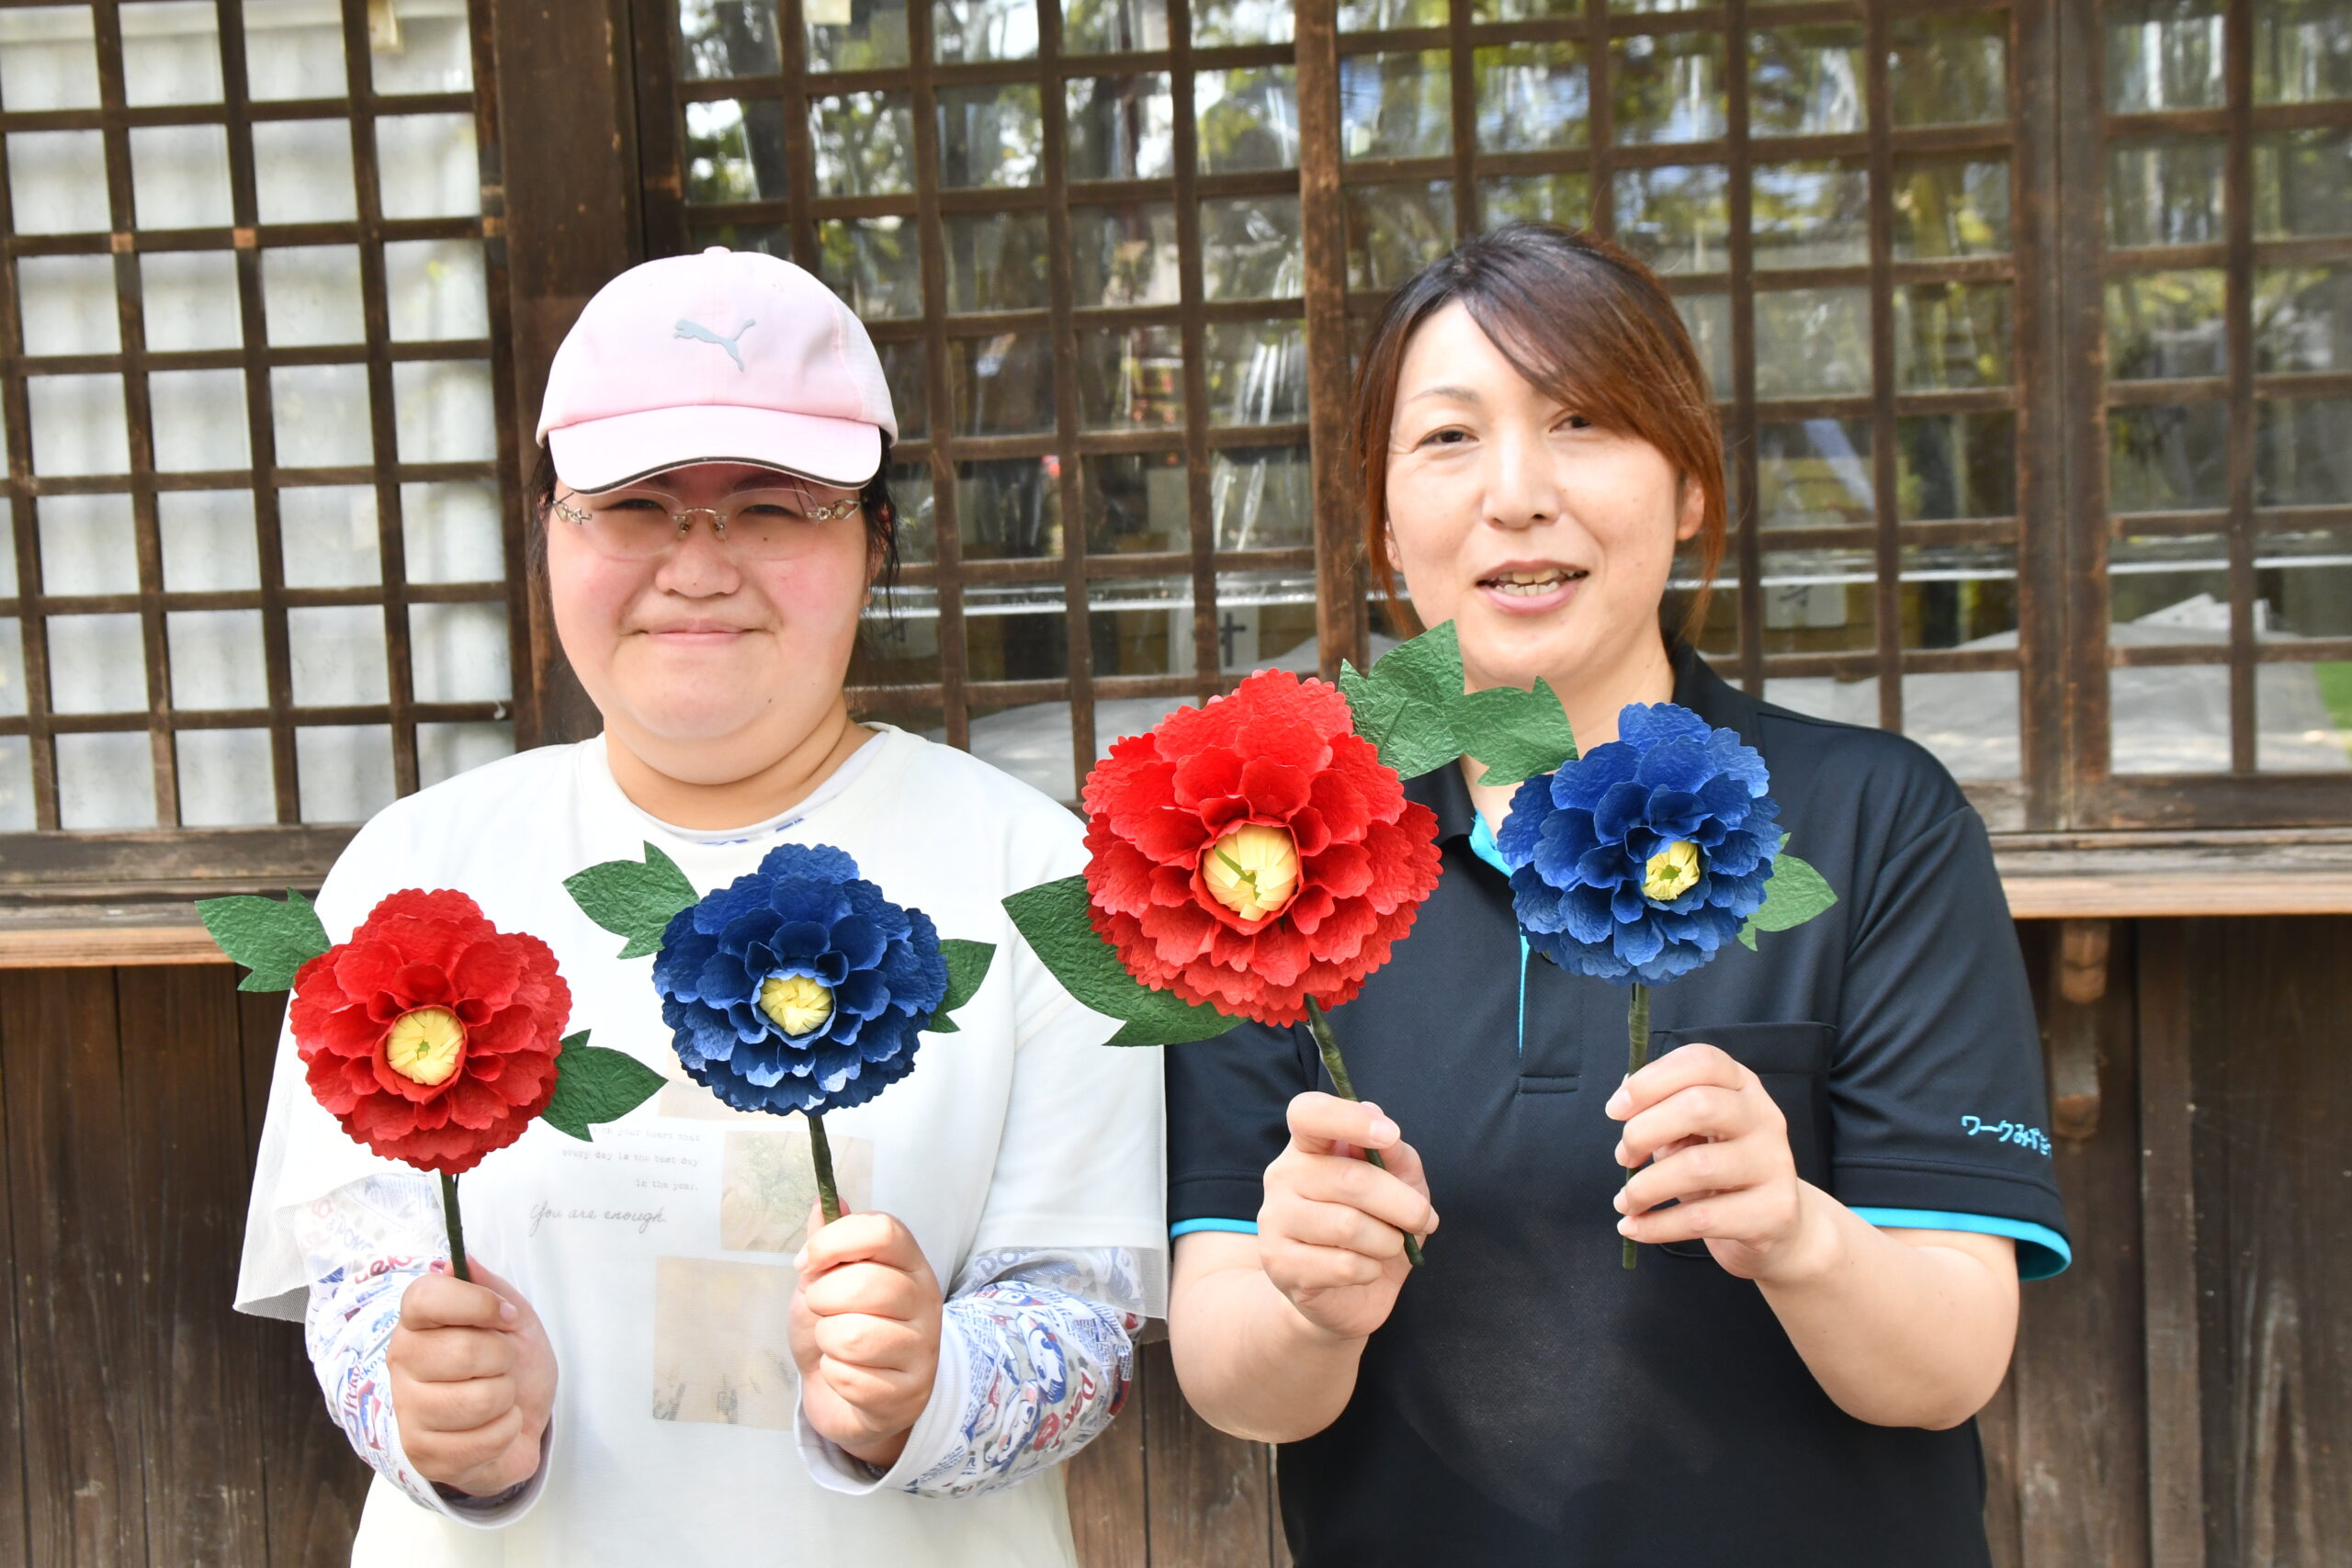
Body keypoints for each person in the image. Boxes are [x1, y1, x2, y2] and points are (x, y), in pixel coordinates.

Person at [236, 247, 1164, 1567]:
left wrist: (939, 1383)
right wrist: (426, 1404)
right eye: (633, 502)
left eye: (776, 505)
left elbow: (1086, 1317)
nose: (698, 565)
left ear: (875, 538)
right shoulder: (413, 876)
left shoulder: (1036, 878)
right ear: (549, 527)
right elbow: (356, 1284)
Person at [1162, 223, 2070, 1566]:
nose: (1518, 495)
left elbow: (1948, 1363)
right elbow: (1236, 1379)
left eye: (1582, 420)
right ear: (1381, 517)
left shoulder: (1875, 822)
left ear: (1692, 487)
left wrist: (1797, 1232)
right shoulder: (1278, 855)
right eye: (1451, 438)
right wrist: (1307, 1300)